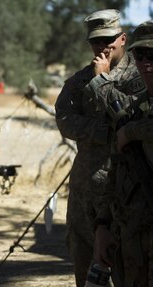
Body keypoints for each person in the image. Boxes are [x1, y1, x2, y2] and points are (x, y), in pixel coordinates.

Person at [54, 9, 145, 286]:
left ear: (123, 39)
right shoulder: (80, 80)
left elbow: (134, 118)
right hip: (86, 186)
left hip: (124, 189)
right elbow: (65, 119)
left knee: (126, 266)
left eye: (108, 39)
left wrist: (101, 81)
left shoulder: (140, 76)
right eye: (95, 41)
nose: (102, 46)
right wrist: (100, 130)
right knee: (85, 265)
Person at [94, 20, 153, 286]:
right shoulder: (132, 110)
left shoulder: (132, 123)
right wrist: (103, 226)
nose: (147, 63)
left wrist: (132, 133)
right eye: (140, 55)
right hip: (131, 244)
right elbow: (115, 171)